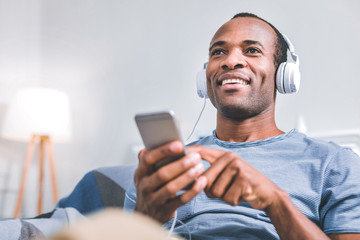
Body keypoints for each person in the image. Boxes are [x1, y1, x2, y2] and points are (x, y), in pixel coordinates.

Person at [124, 12, 360, 239]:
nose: (231, 61)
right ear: (204, 79)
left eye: (252, 50)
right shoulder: (166, 169)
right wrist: (146, 219)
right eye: (218, 52)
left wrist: (274, 201)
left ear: (283, 75)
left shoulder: (335, 163)